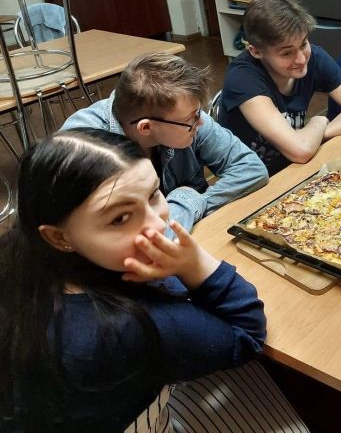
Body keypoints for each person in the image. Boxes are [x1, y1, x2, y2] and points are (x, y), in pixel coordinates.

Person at [0, 129, 307, 432]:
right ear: (58, 237)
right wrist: (194, 264)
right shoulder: (126, 326)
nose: (157, 225)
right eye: (120, 218)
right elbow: (247, 335)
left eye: (154, 194)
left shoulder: (21, 256)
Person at [62, 53, 269, 235]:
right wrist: (187, 198)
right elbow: (141, 240)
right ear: (146, 128)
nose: (200, 122)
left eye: (198, 112)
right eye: (192, 118)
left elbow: (252, 169)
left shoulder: (179, 114)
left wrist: (194, 206)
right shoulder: (85, 151)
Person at [219, 0, 341, 174]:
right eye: (287, 53)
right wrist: (318, 122)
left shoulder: (315, 58)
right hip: (249, 178)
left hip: (293, 166)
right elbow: (300, 151)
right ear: (255, 51)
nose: (301, 59)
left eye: (304, 44)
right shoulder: (242, 78)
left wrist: (316, 135)